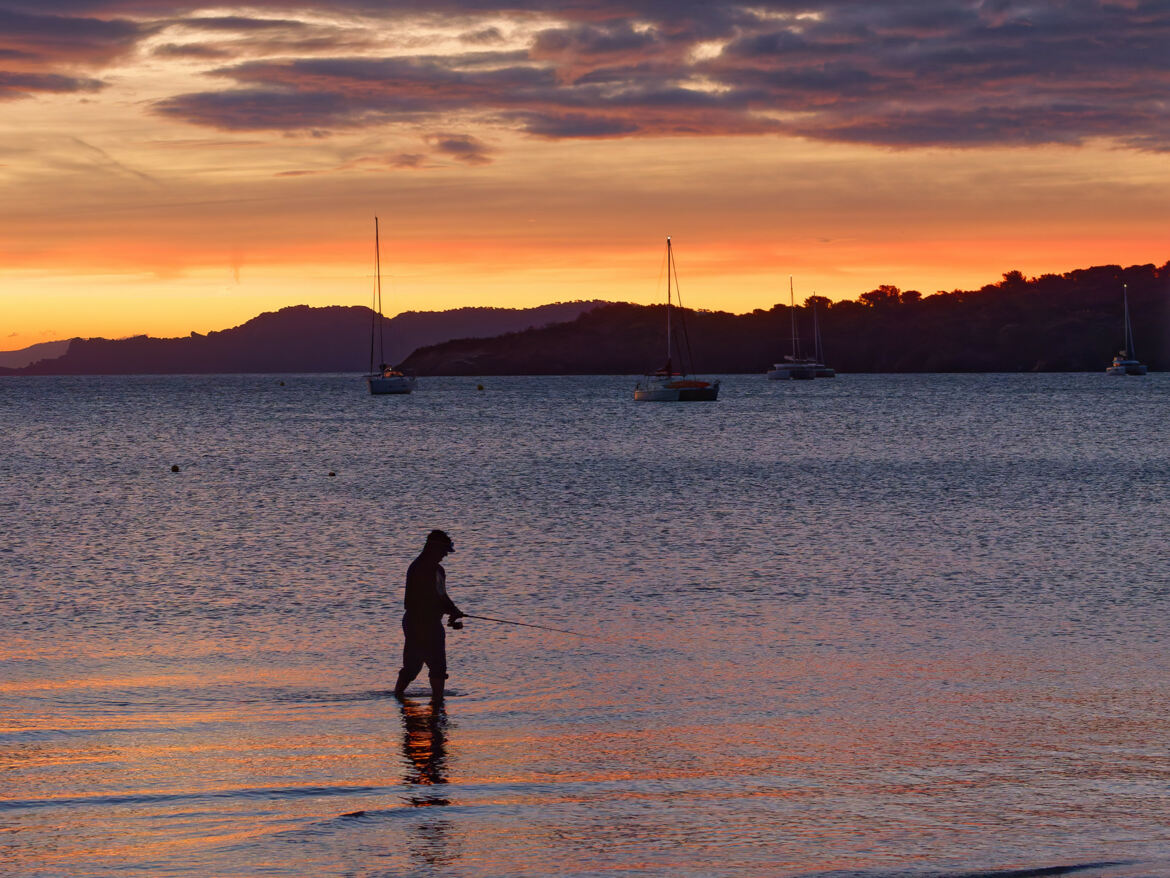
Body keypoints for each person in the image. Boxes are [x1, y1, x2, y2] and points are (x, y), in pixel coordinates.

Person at [394, 529, 465, 700]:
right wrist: (450, 610)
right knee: (427, 666)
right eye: (443, 551)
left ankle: (401, 697)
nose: (445, 555)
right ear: (432, 549)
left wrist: (452, 609)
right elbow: (433, 597)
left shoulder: (428, 568)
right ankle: (436, 704)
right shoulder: (425, 569)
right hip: (422, 623)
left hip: (422, 622)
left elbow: (440, 596)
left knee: (420, 666)